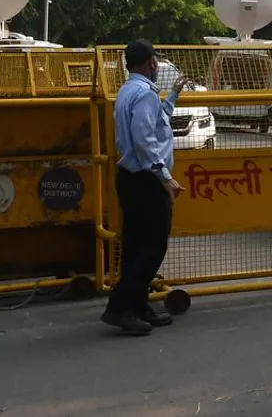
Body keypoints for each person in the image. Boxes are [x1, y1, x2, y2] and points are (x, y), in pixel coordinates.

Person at [101, 39, 186, 335]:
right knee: (152, 248)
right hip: (146, 181)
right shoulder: (145, 94)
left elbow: (156, 123)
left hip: (130, 178)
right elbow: (145, 140)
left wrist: (173, 95)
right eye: (156, 62)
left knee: (137, 246)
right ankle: (120, 308)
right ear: (151, 63)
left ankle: (138, 306)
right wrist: (165, 177)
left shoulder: (129, 91)